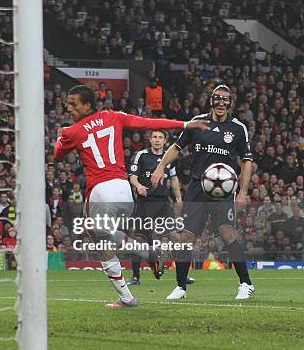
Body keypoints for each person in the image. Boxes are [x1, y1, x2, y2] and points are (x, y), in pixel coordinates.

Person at [54, 85, 207, 308]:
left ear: (87, 105)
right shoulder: (113, 116)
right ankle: (127, 298)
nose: (68, 108)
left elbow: (58, 155)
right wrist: (184, 124)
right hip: (125, 191)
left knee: (96, 231)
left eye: (73, 104)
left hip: (101, 191)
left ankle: (146, 252)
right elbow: (149, 123)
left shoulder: (72, 132)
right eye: (67, 103)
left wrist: (61, 137)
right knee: (101, 241)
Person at [151, 85, 254, 300]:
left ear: (230, 103)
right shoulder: (198, 122)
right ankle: (181, 287)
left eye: (225, 99)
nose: (221, 102)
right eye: (217, 98)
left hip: (223, 191)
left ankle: (246, 283)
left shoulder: (237, 128)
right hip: (197, 187)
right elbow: (176, 148)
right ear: (211, 101)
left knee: (227, 233)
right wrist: (160, 167)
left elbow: (246, 161)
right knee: (186, 237)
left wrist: (243, 192)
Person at [127, 130, 194, 286]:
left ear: (165, 141)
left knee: (176, 238)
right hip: (144, 202)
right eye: (154, 137)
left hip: (163, 203)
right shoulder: (141, 155)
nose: (157, 140)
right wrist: (138, 186)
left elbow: (174, 178)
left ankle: (183, 275)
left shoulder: (168, 158)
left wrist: (178, 198)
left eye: (160, 138)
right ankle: (135, 277)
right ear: (150, 140)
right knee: (139, 240)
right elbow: (132, 176)